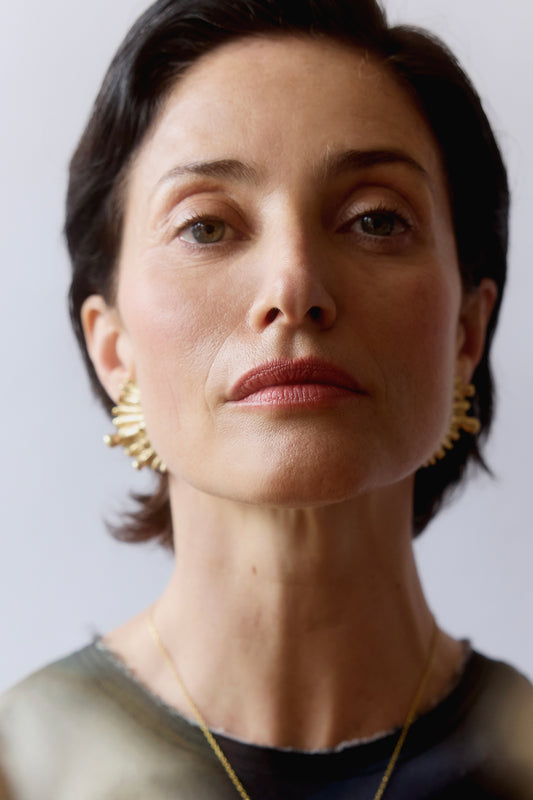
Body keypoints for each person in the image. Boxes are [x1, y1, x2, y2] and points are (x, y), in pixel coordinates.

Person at [0, 0, 531, 797]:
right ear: (114, 348)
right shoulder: (21, 771)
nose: (294, 286)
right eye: (207, 227)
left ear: (465, 331)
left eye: (374, 220)